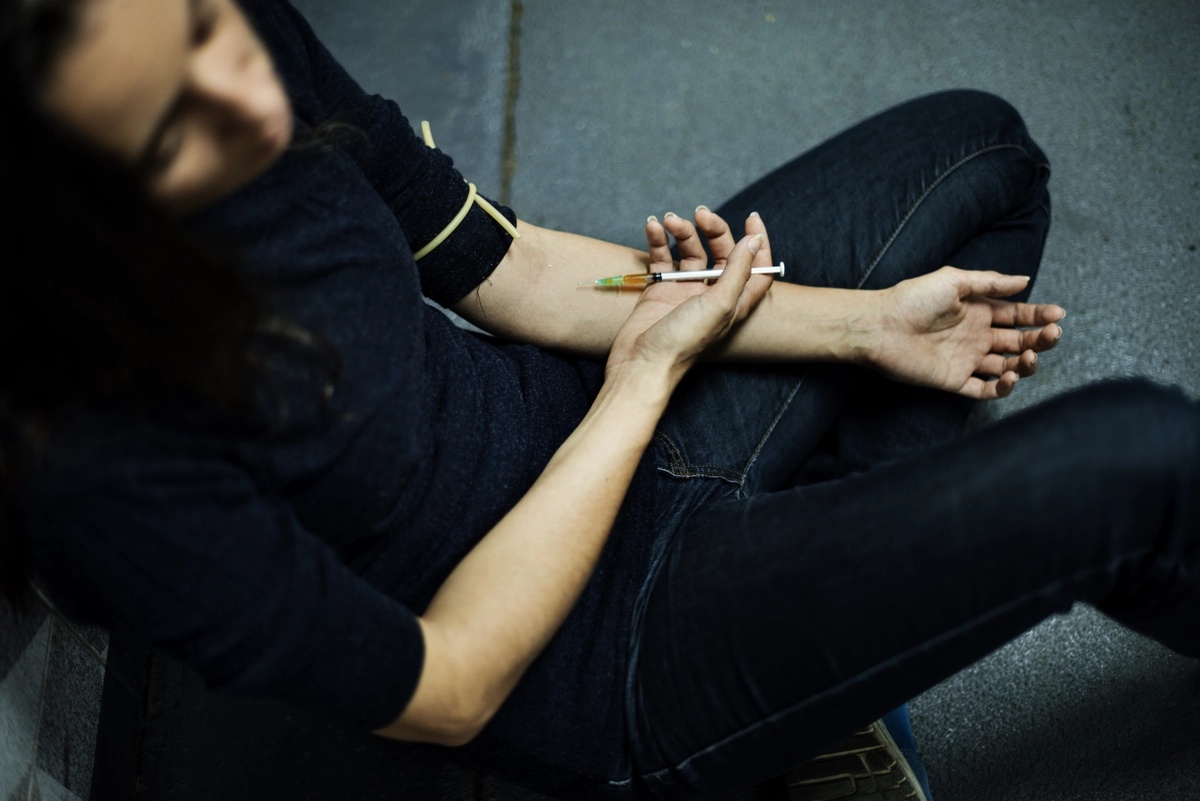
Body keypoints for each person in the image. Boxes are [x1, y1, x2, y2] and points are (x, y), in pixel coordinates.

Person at [1, 1, 1196, 800]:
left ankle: (807, 676)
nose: (252, 105)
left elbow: (506, 267)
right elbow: (452, 684)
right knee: (1137, 462)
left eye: (214, 28)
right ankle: (785, 658)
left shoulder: (187, 34)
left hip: (589, 412)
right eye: (171, 136)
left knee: (979, 157)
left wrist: (861, 328)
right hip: (583, 650)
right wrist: (647, 376)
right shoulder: (99, 473)